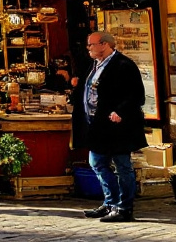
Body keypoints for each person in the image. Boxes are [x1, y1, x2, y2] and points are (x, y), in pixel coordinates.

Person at [74, 31, 147, 223]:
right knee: (97, 162)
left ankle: (124, 208)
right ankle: (110, 202)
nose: (88, 48)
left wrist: (120, 111)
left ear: (105, 44)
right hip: (98, 125)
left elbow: (136, 95)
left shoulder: (124, 65)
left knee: (122, 166)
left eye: (91, 44)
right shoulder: (95, 64)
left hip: (117, 126)